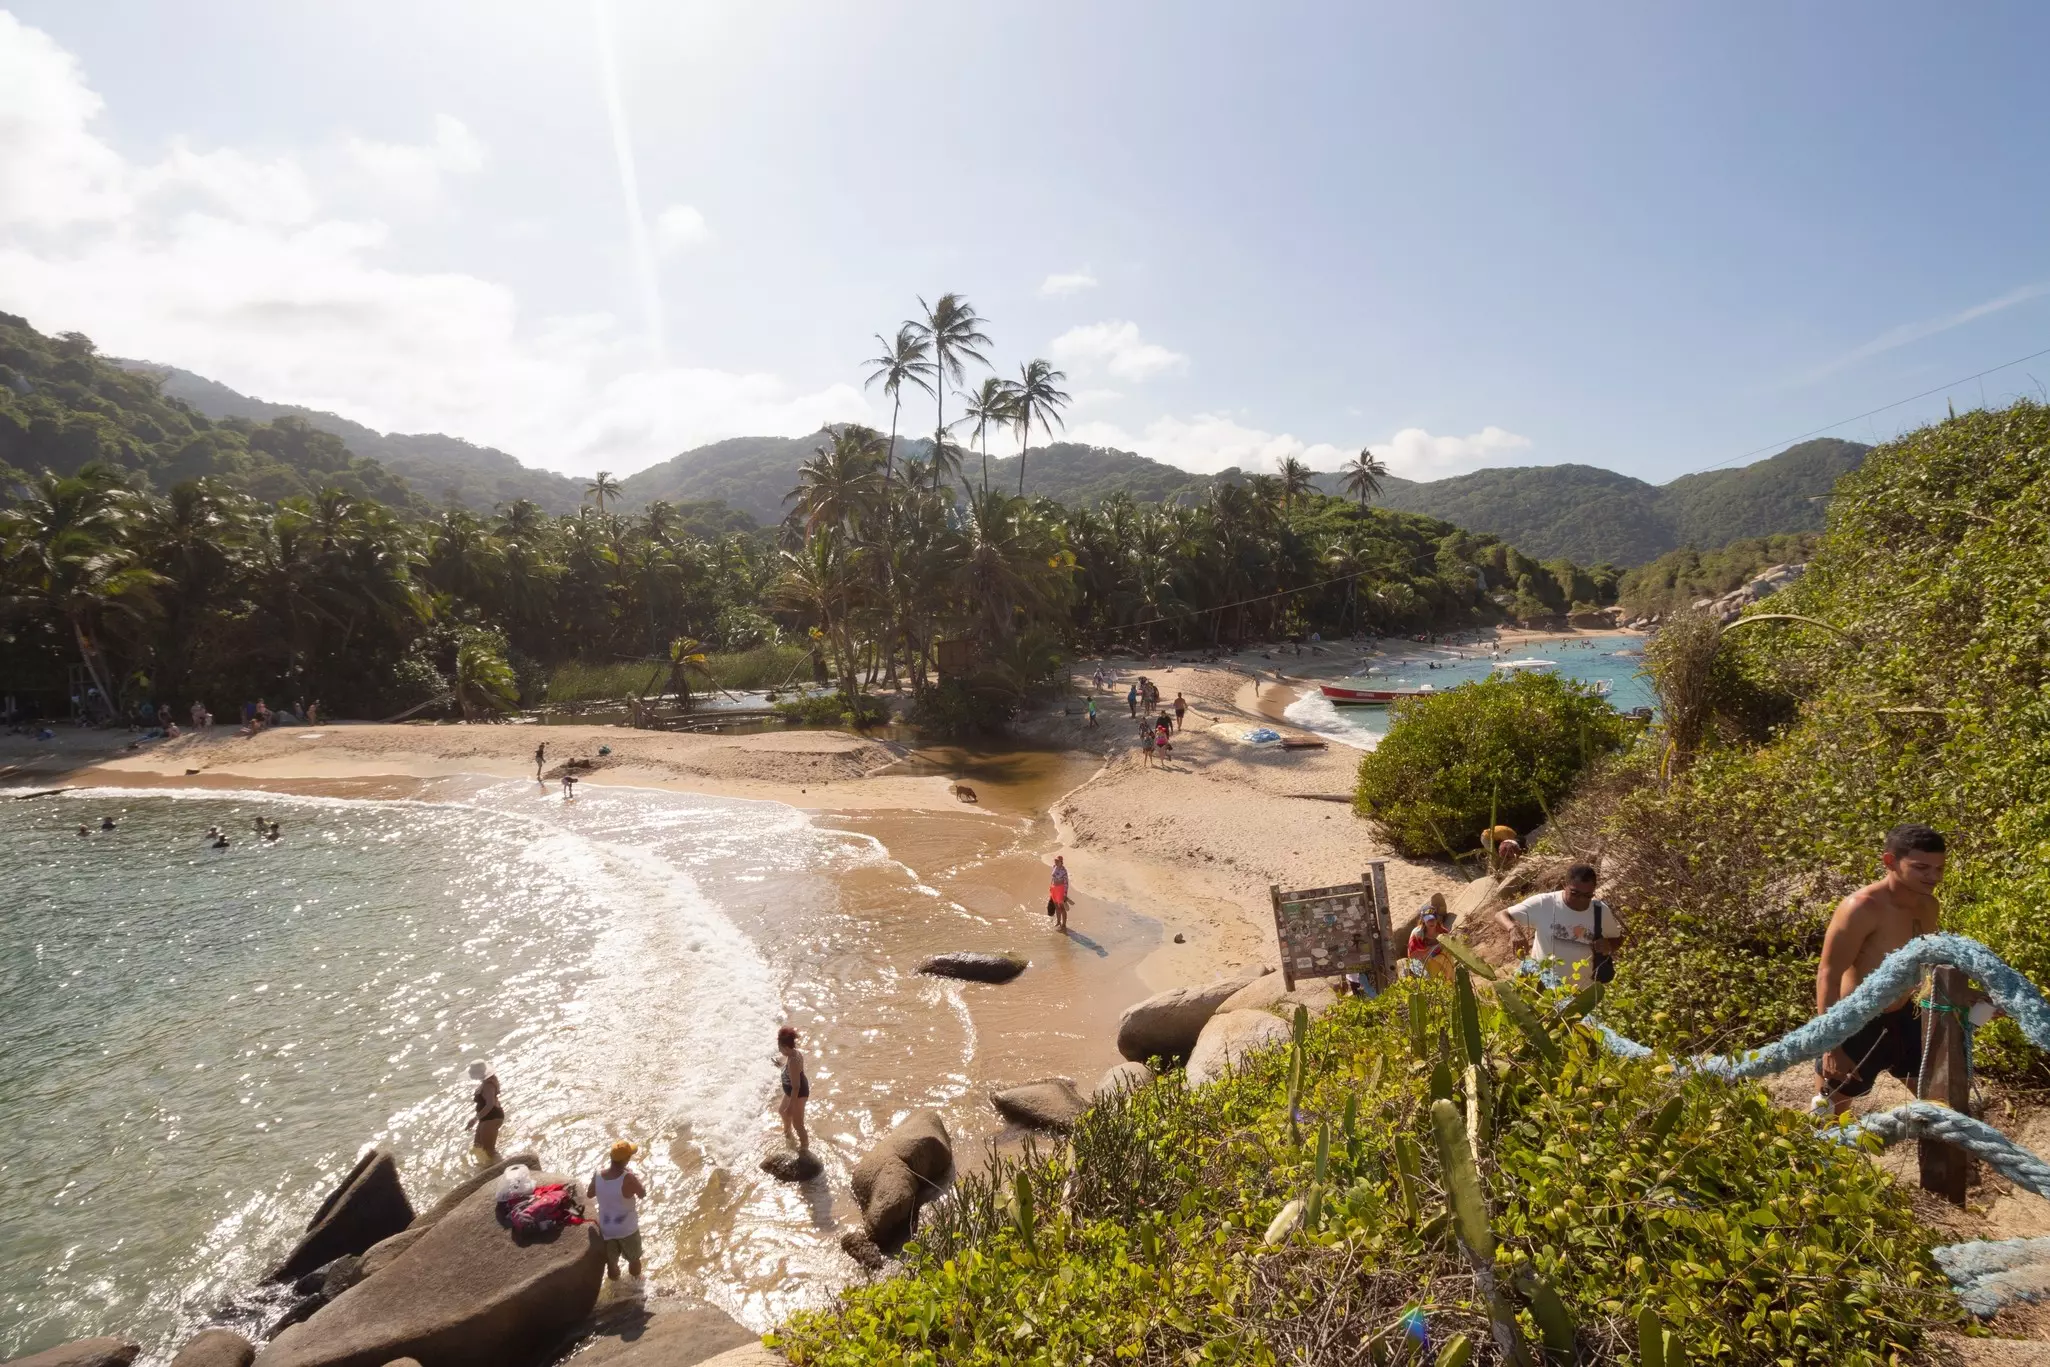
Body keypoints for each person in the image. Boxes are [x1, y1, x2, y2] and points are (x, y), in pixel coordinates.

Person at [1814, 825, 1971, 1115]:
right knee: (1828, 1116)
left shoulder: (1928, 905)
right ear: (1890, 862)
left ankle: (1955, 1157)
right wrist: (1831, 1046)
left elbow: (1926, 965)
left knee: (1943, 1104)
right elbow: (1828, 974)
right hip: (1856, 1024)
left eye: (1939, 868)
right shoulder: (1861, 907)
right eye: (1921, 867)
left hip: (1906, 1017)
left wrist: (1972, 1001)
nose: (1933, 877)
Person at [1495, 863, 1624, 986]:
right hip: (1543, 986)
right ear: (1564, 885)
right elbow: (1501, 915)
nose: (1581, 899)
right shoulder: (1544, 903)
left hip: (1580, 992)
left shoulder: (1600, 911)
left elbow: (1617, 940)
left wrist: (1608, 945)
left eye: (1587, 895)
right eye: (1575, 893)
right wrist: (1513, 929)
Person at [589, 1140, 647, 1281]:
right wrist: (635, 1178)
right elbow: (642, 1194)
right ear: (626, 1159)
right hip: (627, 1229)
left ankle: (615, 1288)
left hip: (607, 1229)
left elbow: (589, 1194)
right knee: (634, 1260)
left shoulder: (597, 1175)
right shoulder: (628, 1177)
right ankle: (636, 1284)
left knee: (612, 1264)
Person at [776, 1026, 811, 1151]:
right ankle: (788, 1133)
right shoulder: (792, 1055)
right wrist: (781, 1065)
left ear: (785, 1047)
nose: (779, 1050)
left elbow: (796, 1086)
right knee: (782, 1111)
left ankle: (805, 1146)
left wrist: (791, 1105)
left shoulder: (793, 1061)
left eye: (779, 1047)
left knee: (798, 1123)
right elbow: (791, 1073)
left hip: (798, 1093)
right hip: (790, 1091)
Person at [1407, 895, 1454, 979]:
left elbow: (1449, 946)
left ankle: (1449, 980)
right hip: (1420, 962)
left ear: (1436, 919)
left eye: (1433, 919)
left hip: (1439, 960)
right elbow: (1413, 955)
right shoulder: (1417, 934)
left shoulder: (1442, 932)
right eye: (1428, 920)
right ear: (1423, 920)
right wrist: (1431, 951)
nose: (1431, 922)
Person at [469, 1061, 505, 1159]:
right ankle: (484, 1168)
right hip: (486, 1118)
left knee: (489, 1150)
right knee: (477, 1145)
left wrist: (474, 1119)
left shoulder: (488, 1085)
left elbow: (490, 1104)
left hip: (491, 1117)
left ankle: (501, 1167)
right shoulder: (486, 1082)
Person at [1049, 854, 1070, 931]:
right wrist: (1051, 888)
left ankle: (1064, 924)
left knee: (1061, 907)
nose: (1056, 862)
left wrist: (1065, 894)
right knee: (1056, 906)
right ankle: (1058, 922)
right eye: (1055, 861)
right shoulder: (1054, 867)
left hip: (1060, 889)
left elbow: (1066, 883)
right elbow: (1053, 878)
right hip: (1054, 888)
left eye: (1057, 861)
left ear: (1061, 862)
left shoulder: (1064, 871)